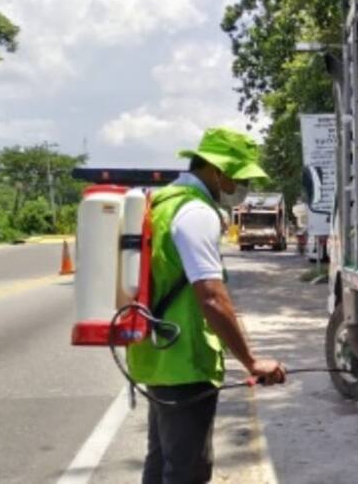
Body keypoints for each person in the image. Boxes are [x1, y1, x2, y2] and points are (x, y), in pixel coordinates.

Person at [128, 127, 287, 484]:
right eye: (238, 177)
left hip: (158, 354)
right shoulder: (196, 212)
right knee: (188, 471)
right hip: (185, 360)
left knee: (162, 462)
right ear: (216, 170)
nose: (240, 186)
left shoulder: (163, 203)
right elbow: (212, 297)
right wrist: (252, 361)